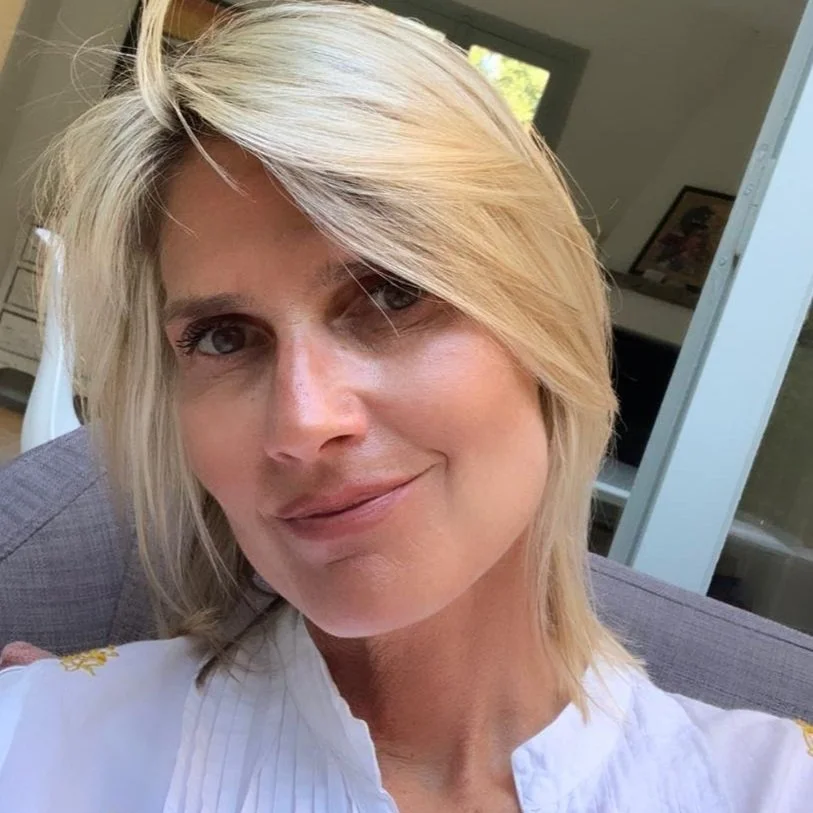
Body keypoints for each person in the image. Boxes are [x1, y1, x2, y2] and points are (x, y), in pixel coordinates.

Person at [0, 1, 810, 810]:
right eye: (222, 337)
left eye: (392, 293)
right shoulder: (43, 743)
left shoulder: (774, 782)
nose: (304, 421)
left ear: (546, 326)